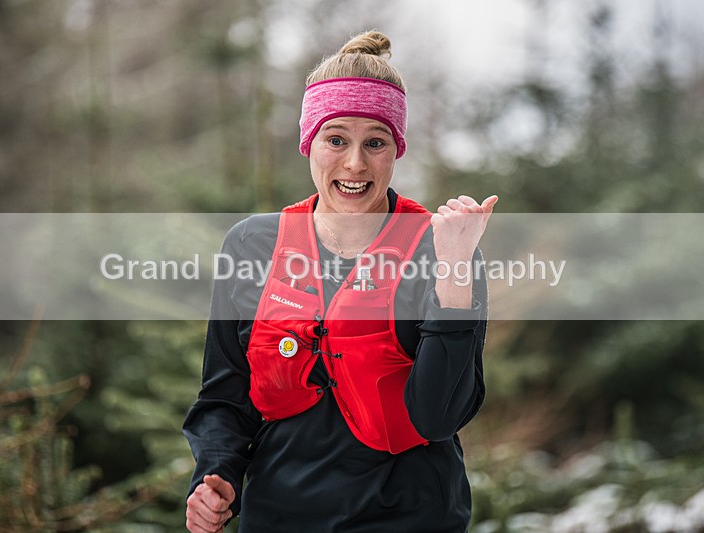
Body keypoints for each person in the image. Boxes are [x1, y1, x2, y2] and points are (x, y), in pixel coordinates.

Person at [183, 30, 498, 533]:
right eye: (336, 140)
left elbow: (439, 417)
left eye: (375, 142)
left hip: (409, 517)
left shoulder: (442, 248)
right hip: (278, 516)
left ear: (397, 149)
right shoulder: (250, 245)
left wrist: (455, 270)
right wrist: (216, 474)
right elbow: (224, 396)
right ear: (309, 141)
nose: (355, 164)